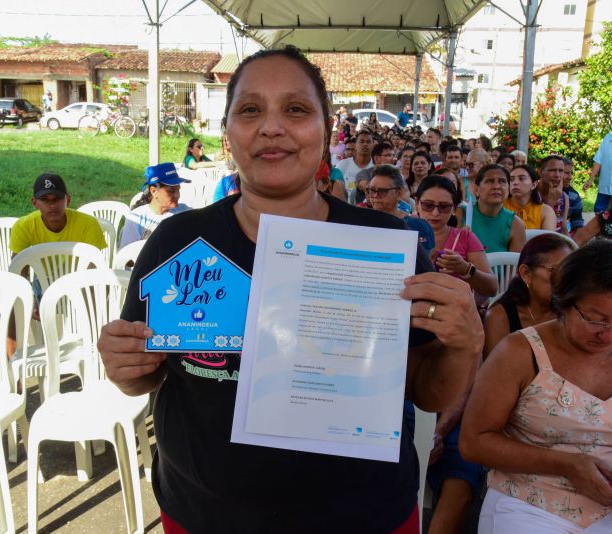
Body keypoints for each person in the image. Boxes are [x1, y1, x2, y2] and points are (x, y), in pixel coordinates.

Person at [97, 45, 483, 534]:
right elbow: (144, 375)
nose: (272, 127)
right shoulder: (178, 241)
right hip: (205, 513)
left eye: (296, 110)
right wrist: (124, 366)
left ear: (326, 132)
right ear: (228, 133)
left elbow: (427, 391)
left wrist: (467, 343)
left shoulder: (385, 246)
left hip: (363, 515)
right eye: (250, 109)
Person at [461, 239, 612, 533]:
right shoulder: (520, 352)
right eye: (595, 320)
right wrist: (566, 464)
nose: (610, 335)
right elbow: (474, 441)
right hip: (533, 502)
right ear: (564, 302)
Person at [414, 174, 496, 534]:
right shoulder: (405, 236)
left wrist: (467, 271)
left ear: (455, 209)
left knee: (461, 465)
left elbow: (492, 286)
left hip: (455, 340)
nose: (434, 213)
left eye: (443, 207)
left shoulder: (466, 238)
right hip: (411, 338)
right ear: (416, 204)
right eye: (428, 205)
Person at [483, 233, 574, 356]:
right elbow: (494, 372)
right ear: (526, 274)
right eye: (555, 271)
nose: (564, 280)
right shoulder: (499, 318)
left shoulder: (572, 312)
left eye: (570, 272)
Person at [9, 173, 106, 254]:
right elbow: (18, 269)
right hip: (42, 276)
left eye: (57, 199)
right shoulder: (23, 226)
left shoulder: (89, 224)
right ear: (34, 202)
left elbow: (94, 269)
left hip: (80, 275)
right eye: (45, 200)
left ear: (67, 200)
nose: (52, 205)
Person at [120, 163, 192, 248]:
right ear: (154, 191)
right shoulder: (136, 219)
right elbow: (127, 256)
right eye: (171, 191)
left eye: (178, 190)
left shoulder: (185, 212)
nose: (177, 195)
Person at [367, 165, 434, 252]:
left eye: (382, 191)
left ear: (399, 193)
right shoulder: (360, 223)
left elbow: (426, 263)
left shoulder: (417, 226)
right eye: (372, 190)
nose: (375, 196)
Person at [470, 164, 526, 253]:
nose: (496, 186)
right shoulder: (462, 215)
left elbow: (514, 265)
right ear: (476, 190)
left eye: (502, 181)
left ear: (508, 189)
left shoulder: (515, 224)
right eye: (489, 181)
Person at [503, 165, 556, 231]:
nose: (515, 183)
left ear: (534, 185)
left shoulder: (546, 211)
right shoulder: (499, 207)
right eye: (511, 179)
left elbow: (548, 239)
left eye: (521, 178)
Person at [337, 130, 374, 201]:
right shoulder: (343, 164)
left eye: (368, 142)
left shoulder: (376, 167)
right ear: (356, 145)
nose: (365, 144)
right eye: (362, 141)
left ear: (373, 145)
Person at [536, 155, 569, 235]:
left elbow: (563, 227)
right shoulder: (530, 193)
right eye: (552, 170)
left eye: (561, 171)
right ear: (540, 172)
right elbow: (535, 230)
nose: (557, 175)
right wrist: (551, 202)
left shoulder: (564, 197)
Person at [562, 157, 584, 235]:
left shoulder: (573, 196)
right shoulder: (538, 193)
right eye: (566, 173)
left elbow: (577, 221)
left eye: (571, 173)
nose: (570, 177)